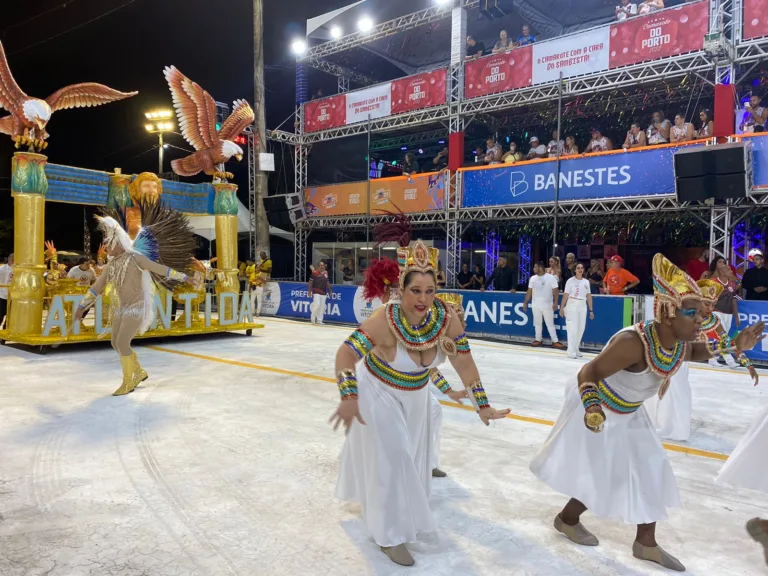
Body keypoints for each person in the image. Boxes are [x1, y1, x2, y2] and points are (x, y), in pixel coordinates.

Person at [529, 254, 765, 572]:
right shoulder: (632, 343)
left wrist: (734, 345)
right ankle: (568, 519)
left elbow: (695, 351)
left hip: (631, 413)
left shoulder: (678, 342)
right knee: (605, 475)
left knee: (651, 471)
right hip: (600, 410)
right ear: (668, 313)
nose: (701, 322)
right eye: (692, 313)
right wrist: (593, 408)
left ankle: (645, 542)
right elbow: (587, 373)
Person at [331, 235, 510, 567]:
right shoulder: (384, 319)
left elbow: (465, 363)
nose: (423, 299)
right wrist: (348, 395)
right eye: (416, 291)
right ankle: (389, 535)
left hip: (416, 396)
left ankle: (393, 515)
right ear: (402, 289)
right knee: (395, 456)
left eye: (430, 291)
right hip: (377, 391)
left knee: (411, 462)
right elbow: (345, 353)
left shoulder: (447, 318)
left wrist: (481, 405)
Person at [74, 202, 196, 396]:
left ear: (118, 241)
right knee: (115, 342)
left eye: (108, 241)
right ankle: (138, 371)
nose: (105, 246)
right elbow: (97, 287)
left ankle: (128, 380)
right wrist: (82, 306)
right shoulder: (111, 266)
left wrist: (183, 277)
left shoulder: (136, 258)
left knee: (122, 343)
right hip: (122, 308)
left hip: (137, 306)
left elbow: (159, 269)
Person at [647, 279, 758, 442]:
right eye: (707, 304)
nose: (710, 309)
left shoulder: (714, 320)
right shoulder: (684, 313)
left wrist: (747, 363)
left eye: (713, 305)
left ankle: (671, 427)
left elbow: (727, 342)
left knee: (677, 393)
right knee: (662, 391)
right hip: (667, 354)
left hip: (682, 360)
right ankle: (657, 425)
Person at [701, 256, 741, 367]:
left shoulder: (732, 284)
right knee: (720, 337)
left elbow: (733, 300)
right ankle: (729, 360)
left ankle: (713, 358)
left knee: (722, 337)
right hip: (716, 312)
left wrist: (736, 316)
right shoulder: (713, 282)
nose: (731, 271)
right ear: (722, 272)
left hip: (728, 313)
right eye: (728, 270)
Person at [523, 262, 563, 349]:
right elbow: (529, 291)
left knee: (550, 324)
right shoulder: (533, 278)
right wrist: (525, 302)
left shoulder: (550, 278)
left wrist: (555, 302)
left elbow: (556, 290)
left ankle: (555, 341)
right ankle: (538, 339)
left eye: (535, 267)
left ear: (540, 268)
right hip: (535, 305)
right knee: (537, 323)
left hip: (548, 305)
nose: (533, 269)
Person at [561, 263, 594, 359]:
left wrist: (591, 310)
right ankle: (570, 350)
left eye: (582, 268)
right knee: (572, 328)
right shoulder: (570, 281)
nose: (580, 269)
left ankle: (575, 348)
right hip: (572, 304)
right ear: (575, 270)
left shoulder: (586, 282)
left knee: (581, 328)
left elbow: (589, 296)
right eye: (578, 268)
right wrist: (562, 308)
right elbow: (565, 295)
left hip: (582, 305)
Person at [250, 250, 272, 317]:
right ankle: (252, 312)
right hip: (253, 288)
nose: (258, 268)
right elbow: (250, 281)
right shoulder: (252, 274)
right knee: (252, 300)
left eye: (259, 268)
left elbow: (265, 282)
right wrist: (251, 287)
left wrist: (260, 278)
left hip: (259, 287)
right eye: (257, 268)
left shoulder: (262, 274)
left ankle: (258, 313)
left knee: (259, 300)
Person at [0, 252, 13, 330]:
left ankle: (4, 336)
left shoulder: (18, 269)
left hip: (13, 296)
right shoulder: (2, 269)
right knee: (0, 316)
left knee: (10, 317)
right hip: (2, 295)